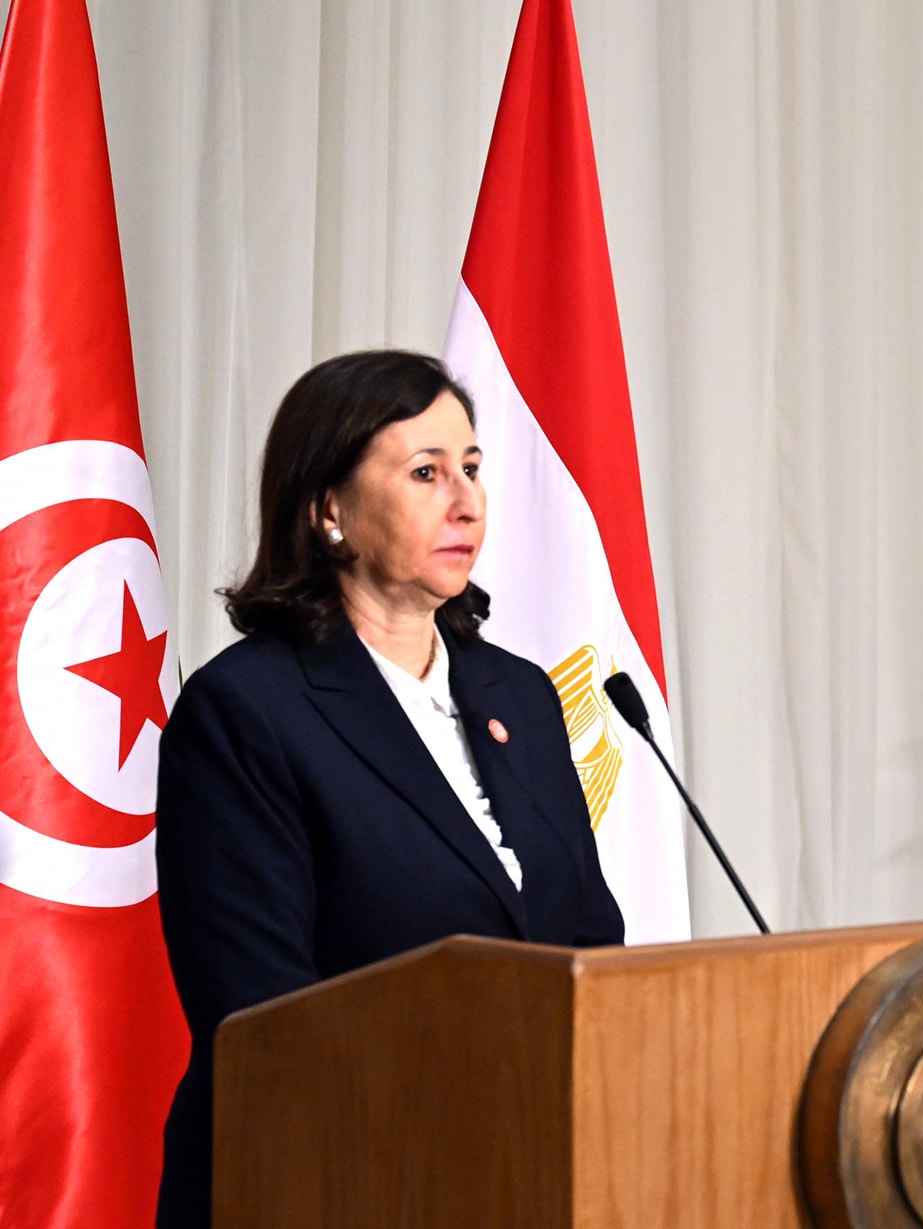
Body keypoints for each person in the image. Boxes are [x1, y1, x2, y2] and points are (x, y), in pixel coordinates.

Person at [153, 351, 625, 1228]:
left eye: (472, 468)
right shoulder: (246, 711)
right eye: (426, 473)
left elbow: (589, 938)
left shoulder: (521, 695)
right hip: (325, 1183)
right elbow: (261, 1018)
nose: (467, 501)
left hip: (525, 1173)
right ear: (329, 508)